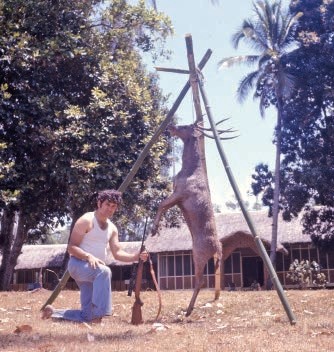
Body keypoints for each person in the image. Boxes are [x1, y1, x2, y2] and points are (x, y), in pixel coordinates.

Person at [42, 189, 148, 323]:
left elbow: (117, 253)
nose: (110, 209)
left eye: (113, 206)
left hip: (95, 273)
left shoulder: (112, 228)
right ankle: (99, 314)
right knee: (105, 272)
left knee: (87, 316)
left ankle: (53, 313)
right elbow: (71, 247)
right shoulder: (86, 220)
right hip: (78, 265)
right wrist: (88, 256)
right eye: (107, 204)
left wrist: (136, 256)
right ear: (99, 203)